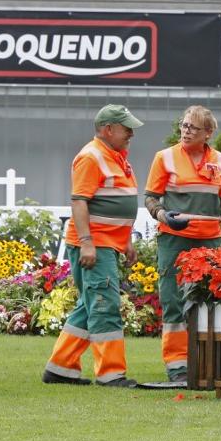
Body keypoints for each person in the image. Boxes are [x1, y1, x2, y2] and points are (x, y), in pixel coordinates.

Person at [144, 106, 221, 385]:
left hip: (211, 242)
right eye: (184, 126)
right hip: (174, 240)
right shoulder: (164, 158)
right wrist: (163, 216)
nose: (185, 131)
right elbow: (150, 198)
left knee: (211, 303)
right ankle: (177, 369)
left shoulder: (220, 161)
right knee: (174, 301)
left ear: (208, 133)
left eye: (192, 128)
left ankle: (209, 363)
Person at [43, 105, 144, 387]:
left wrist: (125, 240)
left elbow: (119, 203)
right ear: (108, 129)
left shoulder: (117, 158)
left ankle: (60, 369)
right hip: (94, 245)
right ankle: (111, 374)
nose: (131, 134)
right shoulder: (91, 157)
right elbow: (79, 201)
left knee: (89, 306)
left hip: (107, 244)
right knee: (103, 306)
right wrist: (87, 243)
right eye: (127, 129)